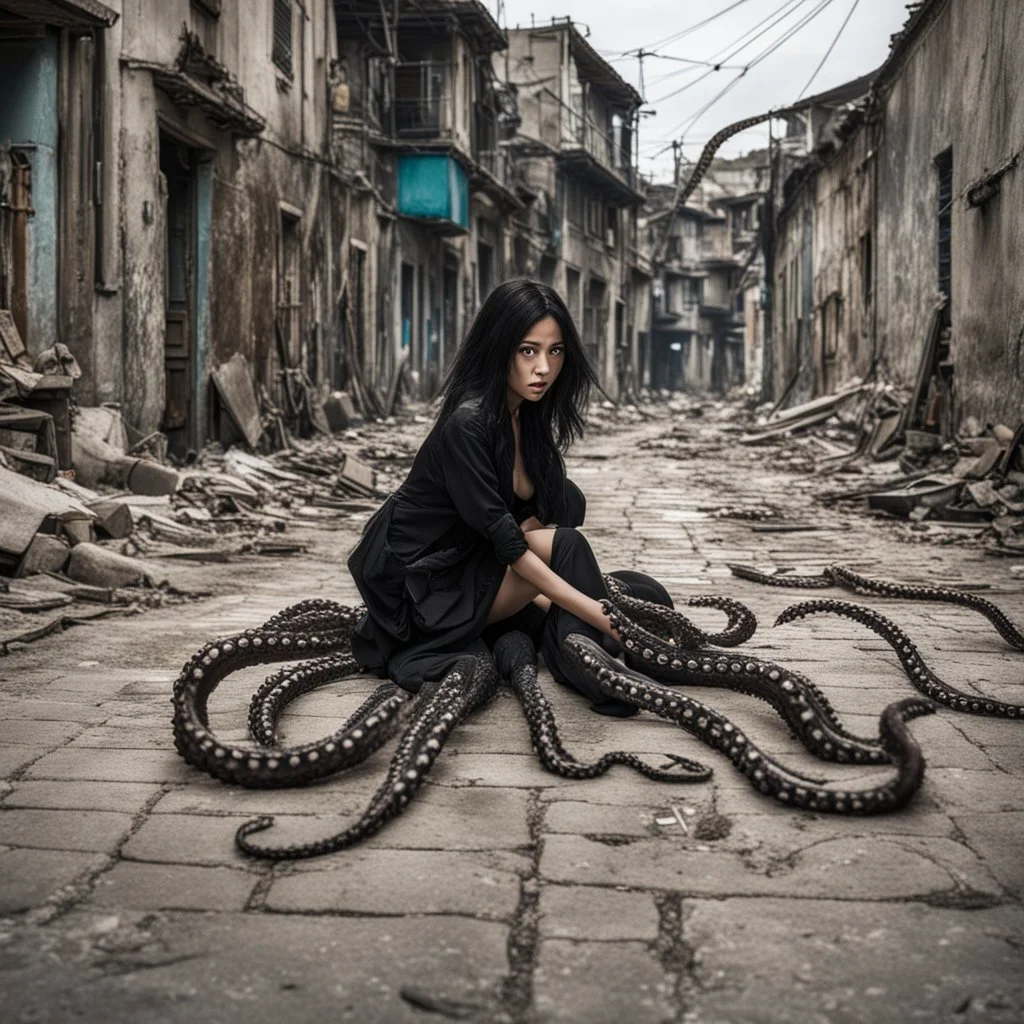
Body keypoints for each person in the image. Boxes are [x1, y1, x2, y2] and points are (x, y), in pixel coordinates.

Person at [347, 279, 672, 716]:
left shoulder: (526, 418)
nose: (543, 368)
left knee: (644, 591)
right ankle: (588, 667)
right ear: (499, 348)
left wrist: (565, 602)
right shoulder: (468, 424)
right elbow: (513, 546)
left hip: (473, 567)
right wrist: (604, 618)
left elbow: (536, 523)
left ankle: (580, 648)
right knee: (573, 557)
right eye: (528, 350)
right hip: (425, 593)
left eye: (555, 351)